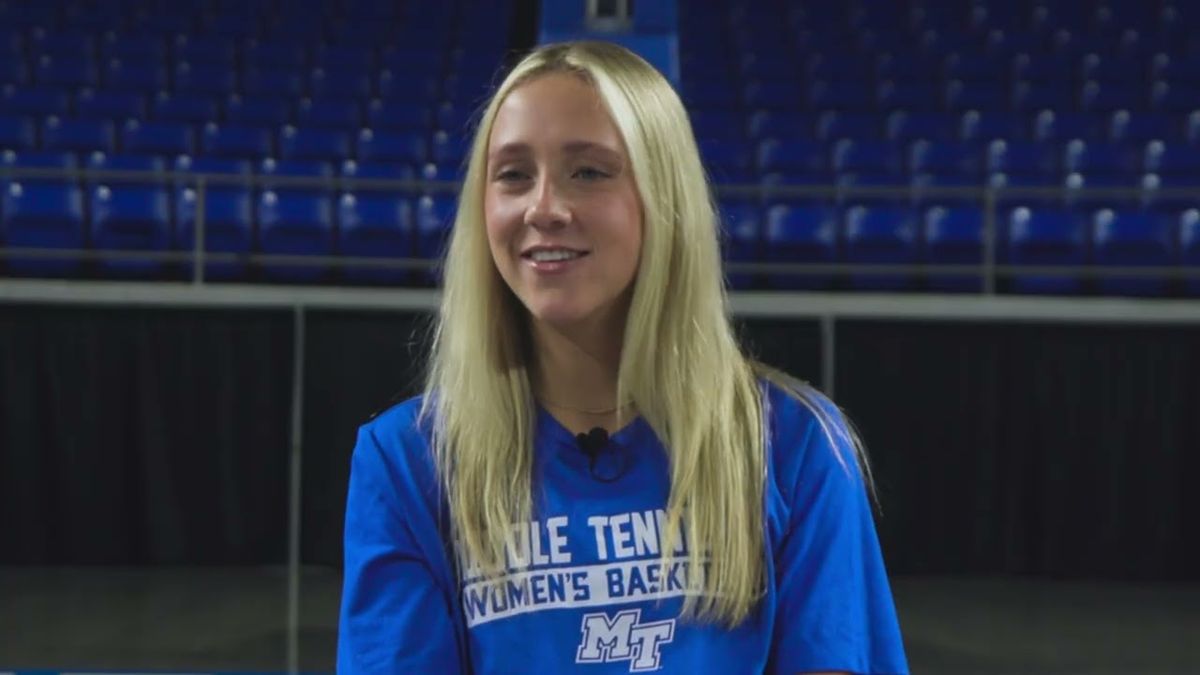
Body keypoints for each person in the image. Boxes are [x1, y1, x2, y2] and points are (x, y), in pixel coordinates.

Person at [338, 41, 909, 674]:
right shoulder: (407, 460)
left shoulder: (794, 447)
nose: (544, 208)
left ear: (664, 202)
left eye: (589, 171)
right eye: (513, 174)